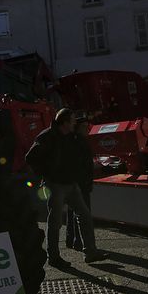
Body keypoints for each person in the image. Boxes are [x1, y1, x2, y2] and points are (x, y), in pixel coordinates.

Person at [26, 108, 108, 269]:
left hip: (71, 184)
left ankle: (90, 252)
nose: (74, 124)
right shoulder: (47, 137)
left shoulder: (70, 136)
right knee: (55, 221)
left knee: (84, 215)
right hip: (55, 185)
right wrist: (46, 174)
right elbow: (30, 157)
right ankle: (54, 257)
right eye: (72, 121)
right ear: (64, 122)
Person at [66, 116, 94, 251]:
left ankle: (71, 239)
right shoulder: (79, 142)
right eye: (84, 127)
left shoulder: (72, 141)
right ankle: (80, 242)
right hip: (81, 182)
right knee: (82, 214)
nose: (86, 130)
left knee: (73, 212)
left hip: (76, 181)